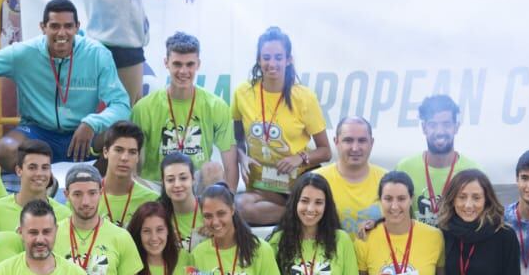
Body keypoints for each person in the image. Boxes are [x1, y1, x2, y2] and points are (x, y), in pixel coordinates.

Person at [0, 0, 131, 163]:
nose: (62, 33)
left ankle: (94, 185)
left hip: (83, 133)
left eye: (68, 26)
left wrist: (92, 123)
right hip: (38, 133)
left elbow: (121, 104)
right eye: (54, 26)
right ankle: (43, 183)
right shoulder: (24, 53)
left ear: (77, 27)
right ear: (43, 27)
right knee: (6, 150)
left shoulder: (97, 54)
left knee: (120, 138)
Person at [231, 27, 331, 227]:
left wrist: (299, 158)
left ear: (288, 60)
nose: (272, 63)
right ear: (259, 60)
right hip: (263, 185)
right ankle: (300, 215)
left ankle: (304, 210)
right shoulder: (243, 93)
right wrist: (242, 157)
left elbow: (325, 151)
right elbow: (237, 139)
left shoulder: (303, 97)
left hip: (298, 184)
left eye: (278, 57)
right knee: (241, 207)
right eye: (266, 57)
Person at [131, 32, 236, 186]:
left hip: (195, 183)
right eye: (177, 64)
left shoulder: (216, 106)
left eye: (190, 64)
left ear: (198, 64)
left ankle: (205, 208)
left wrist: (229, 202)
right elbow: (135, 165)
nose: (183, 71)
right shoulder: (143, 108)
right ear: (166, 63)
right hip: (158, 184)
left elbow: (230, 162)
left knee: (214, 170)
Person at [268, 172, 360, 275]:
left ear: (326, 206)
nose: (310, 209)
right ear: (295, 203)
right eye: (304, 201)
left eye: (318, 202)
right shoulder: (277, 242)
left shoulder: (341, 239)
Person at [396, 94, 480, 226]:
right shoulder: (404, 168)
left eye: (446, 124)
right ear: (424, 128)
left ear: (456, 127)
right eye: (433, 125)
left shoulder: (473, 171)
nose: (440, 131)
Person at [319, 117, 387, 238]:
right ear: (336, 142)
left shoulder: (387, 180)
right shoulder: (316, 180)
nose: (355, 148)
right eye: (348, 140)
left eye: (362, 141)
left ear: (371, 143)